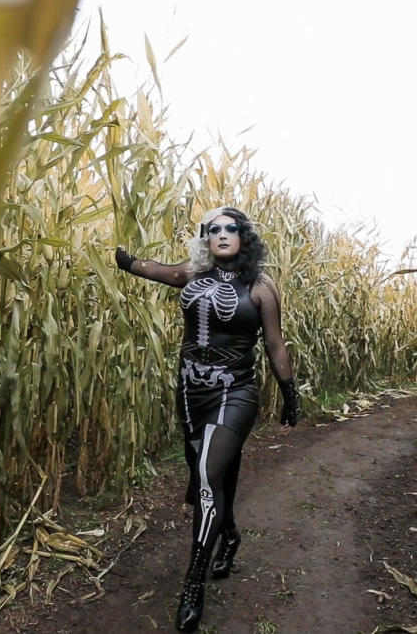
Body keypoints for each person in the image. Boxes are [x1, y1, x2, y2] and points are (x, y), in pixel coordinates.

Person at [114, 206, 300, 632]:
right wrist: (123, 261)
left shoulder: (261, 288)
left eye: (229, 228)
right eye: (212, 229)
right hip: (190, 391)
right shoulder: (193, 275)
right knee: (210, 474)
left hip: (235, 391)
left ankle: (193, 583)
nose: (220, 234)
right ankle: (229, 535)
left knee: (204, 477)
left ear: (244, 236)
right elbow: (155, 270)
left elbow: (275, 345)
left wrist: (290, 398)